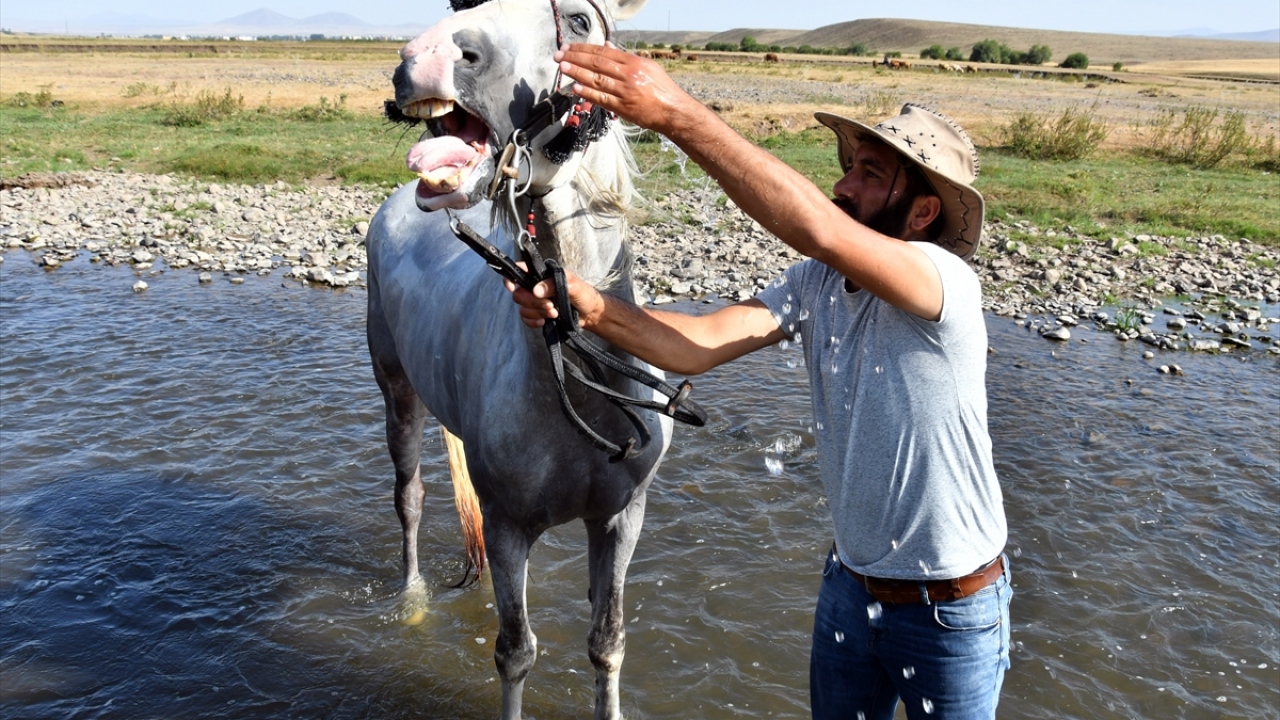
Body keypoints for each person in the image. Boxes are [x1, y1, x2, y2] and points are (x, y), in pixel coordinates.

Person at [509, 42, 1010, 720]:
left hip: (950, 610)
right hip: (850, 589)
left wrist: (678, 115)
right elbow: (698, 344)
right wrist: (587, 305)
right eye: (850, 169)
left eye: (868, 174)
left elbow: (818, 229)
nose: (843, 185)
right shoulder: (818, 285)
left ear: (922, 213)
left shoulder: (943, 283)